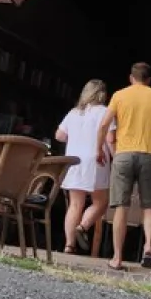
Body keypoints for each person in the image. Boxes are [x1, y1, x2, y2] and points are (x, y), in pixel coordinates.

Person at [94, 62, 151, 270]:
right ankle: (149, 247)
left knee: (121, 206)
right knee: (149, 206)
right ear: (149, 80)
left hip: (123, 155)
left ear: (131, 78)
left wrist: (99, 149)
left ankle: (117, 258)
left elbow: (105, 125)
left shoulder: (119, 95)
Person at [54, 80, 112, 255]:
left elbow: (59, 135)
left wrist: (76, 136)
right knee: (101, 202)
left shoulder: (74, 113)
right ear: (102, 94)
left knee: (75, 204)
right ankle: (83, 226)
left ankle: (69, 245)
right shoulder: (106, 112)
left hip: (74, 161)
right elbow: (110, 139)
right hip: (96, 160)